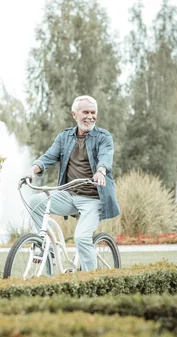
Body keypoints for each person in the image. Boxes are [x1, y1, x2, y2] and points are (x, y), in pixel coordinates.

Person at [27, 95, 120, 271]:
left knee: (82, 238)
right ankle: (44, 248)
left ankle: (91, 284)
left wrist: (101, 171)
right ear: (74, 114)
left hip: (94, 199)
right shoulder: (64, 137)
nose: (90, 116)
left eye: (93, 113)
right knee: (35, 202)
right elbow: (49, 157)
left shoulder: (103, 137)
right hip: (69, 195)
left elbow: (105, 158)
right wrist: (33, 169)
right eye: (86, 112)